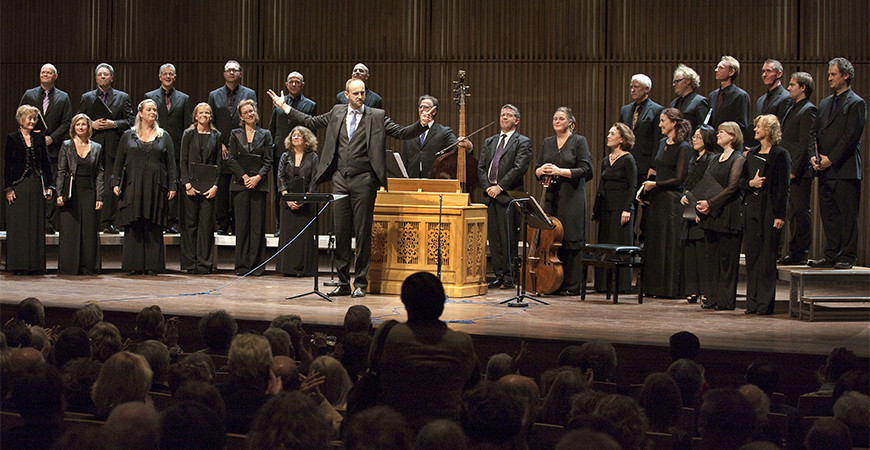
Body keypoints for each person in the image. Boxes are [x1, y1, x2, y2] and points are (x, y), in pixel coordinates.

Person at [268, 78, 428, 298]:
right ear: (346, 95)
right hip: (340, 180)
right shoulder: (336, 113)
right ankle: (343, 282)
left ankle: (360, 282)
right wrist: (284, 106)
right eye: (356, 93)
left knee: (362, 233)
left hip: (364, 180)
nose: (360, 97)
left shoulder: (376, 116)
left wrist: (421, 123)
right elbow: (310, 121)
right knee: (341, 231)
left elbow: (401, 132)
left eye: (362, 93)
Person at [374, 272, 481, 431]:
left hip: (398, 434)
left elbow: (375, 374)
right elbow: (473, 387)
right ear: (442, 303)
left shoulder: (389, 334)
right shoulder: (461, 342)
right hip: (447, 434)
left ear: (404, 301)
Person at [809, 57, 866, 270]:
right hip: (824, 168)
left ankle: (848, 255)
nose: (829, 78)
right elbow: (813, 133)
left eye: (833, 74)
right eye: (829, 74)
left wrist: (830, 159)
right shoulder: (824, 103)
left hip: (845, 169)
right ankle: (831, 254)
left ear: (846, 75)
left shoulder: (856, 103)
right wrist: (814, 157)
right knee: (829, 214)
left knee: (847, 214)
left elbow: (850, 136)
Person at [111, 99, 178, 275]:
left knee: (153, 222)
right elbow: (119, 161)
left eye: (155, 110)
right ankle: (134, 265)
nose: (153, 113)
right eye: (149, 110)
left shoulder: (164, 135)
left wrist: (173, 185)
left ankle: (152, 265)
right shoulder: (128, 135)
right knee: (134, 222)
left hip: (156, 185)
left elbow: (171, 163)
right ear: (140, 113)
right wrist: (115, 182)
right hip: (133, 183)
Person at [535, 107, 594, 295]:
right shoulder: (548, 142)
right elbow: (537, 170)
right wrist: (541, 170)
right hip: (550, 196)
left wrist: (560, 172)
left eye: (561, 118)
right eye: (554, 118)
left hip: (572, 196)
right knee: (550, 239)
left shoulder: (579, 141)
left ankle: (571, 285)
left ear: (571, 123)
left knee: (570, 238)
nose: (557, 121)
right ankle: (552, 282)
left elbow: (587, 170)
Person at [478, 104, 532, 290]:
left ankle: (510, 276)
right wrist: (488, 188)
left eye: (509, 115)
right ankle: (499, 275)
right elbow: (481, 167)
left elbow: (519, 168)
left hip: (508, 197)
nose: (505, 118)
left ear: (516, 120)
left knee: (508, 237)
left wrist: (500, 187)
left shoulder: (523, 142)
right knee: (494, 239)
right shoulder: (490, 141)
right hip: (490, 196)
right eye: (502, 115)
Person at [640, 108, 692, 298]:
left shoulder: (684, 147)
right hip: (657, 199)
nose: (660, 124)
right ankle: (653, 287)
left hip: (672, 201)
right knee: (656, 243)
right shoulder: (663, 142)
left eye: (663, 121)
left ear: (674, 123)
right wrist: (646, 188)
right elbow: (657, 169)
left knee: (669, 244)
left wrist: (655, 184)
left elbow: (679, 179)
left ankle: (670, 289)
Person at [741, 115, 790, 315]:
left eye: (759, 127)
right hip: (752, 206)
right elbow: (741, 182)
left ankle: (764, 304)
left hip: (770, 208)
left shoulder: (781, 155)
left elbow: (783, 187)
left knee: (767, 257)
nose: (755, 130)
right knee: (752, 256)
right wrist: (751, 184)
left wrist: (780, 214)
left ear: (769, 130)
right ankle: (751, 303)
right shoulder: (751, 153)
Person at [77, 63, 134, 234]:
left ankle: (108, 222)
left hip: (112, 148)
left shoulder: (122, 97)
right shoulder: (87, 98)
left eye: (106, 74)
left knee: (110, 186)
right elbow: (78, 120)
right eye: (100, 74)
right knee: (90, 183)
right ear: (95, 78)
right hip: (90, 147)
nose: (103, 77)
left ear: (112, 78)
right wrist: (91, 124)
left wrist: (114, 123)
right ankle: (90, 221)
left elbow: (131, 122)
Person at [695, 122, 745, 310]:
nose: (718, 135)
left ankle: (725, 300)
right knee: (712, 259)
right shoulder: (715, 158)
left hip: (728, 214)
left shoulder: (738, 159)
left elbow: (733, 187)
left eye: (722, 132)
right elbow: (707, 182)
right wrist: (700, 206)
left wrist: (711, 204)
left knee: (727, 260)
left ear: (732, 136)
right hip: (711, 215)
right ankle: (712, 297)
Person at [19, 63, 72, 234]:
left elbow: (66, 122)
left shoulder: (63, 97)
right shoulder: (30, 94)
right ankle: (31, 222)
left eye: (49, 72)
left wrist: (52, 138)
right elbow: (20, 116)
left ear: (55, 76)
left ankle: (47, 223)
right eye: (43, 72)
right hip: (31, 148)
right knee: (32, 185)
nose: (45, 75)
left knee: (51, 185)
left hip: (52, 149)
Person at [207, 60, 257, 236]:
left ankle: (237, 223)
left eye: (235, 70)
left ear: (240, 73)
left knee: (239, 186)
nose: (231, 73)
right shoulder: (214, 95)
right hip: (220, 146)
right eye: (228, 70)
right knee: (220, 185)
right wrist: (219, 141)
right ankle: (221, 223)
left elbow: (252, 119)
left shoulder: (249, 93)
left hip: (241, 146)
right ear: (224, 74)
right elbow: (210, 121)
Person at [4, 105, 54, 275]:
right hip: (19, 185)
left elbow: (46, 164)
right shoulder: (12, 138)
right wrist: (8, 188)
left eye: (34, 118)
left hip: (35, 184)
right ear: (20, 120)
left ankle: (35, 265)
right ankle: (18, 265)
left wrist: (49, 186)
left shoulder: (39, 139)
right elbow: (7, 166)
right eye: (29, 118)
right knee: (19, 226)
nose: (32, 121)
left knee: (35, 224)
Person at [226, 99, 273, 276]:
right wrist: (245, 177)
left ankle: (257, 266)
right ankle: (242, 266)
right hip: (240, 184)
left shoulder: (265, 134)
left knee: (257, 227)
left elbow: (268, 160)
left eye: (251, 111)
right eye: (245, 113)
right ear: (241, 116)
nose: (249, 114)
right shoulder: (235, 134)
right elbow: (230, 158)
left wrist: (257, 177)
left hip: (259, 185)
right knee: (242, 226)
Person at [144, 63, 192, 234]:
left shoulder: (184, 99)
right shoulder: (149, 97)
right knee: (156, 185)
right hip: (154, 147)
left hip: (177, 150)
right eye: (165, 74)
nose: (168, 77)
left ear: (175, 77)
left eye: (171, 74)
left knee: (174, 185)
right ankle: (156, 219)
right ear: (159, 77)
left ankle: (171, 221)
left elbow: (188, 128)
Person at [268, 71, 316, 237]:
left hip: (302, 153)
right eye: (291, 82)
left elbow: (312, 130)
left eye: (297, 82)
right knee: (280, 189)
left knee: (303, 187)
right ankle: (280, 226)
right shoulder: (277, 103)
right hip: (280, 152)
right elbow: (272, 128)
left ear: (302, 85)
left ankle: (301, 224)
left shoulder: (310, 105)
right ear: (286, 85)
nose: (294, 84)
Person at [55, 113, 104, 275]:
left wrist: (99, 197)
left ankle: (87, 266)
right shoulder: (67, 145)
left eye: (84, 124)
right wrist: (59, 193)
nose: (81, 127)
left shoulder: (96, 147)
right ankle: (69, 266)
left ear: (89, 127)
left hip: (89, 192)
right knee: (71, 230)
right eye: (78, 124)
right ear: (73, 127)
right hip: (71, 192)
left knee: (89, 231)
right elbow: (61, 170)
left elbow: (99, 173)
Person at [778, 72, 818, 265]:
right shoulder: (792, 108)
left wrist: (794, 168)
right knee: (791, 211)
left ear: (803, 88)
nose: (788, 88)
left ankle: (800, 252)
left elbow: (805, 143)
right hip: (789, 169)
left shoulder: (808, 110)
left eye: (792, 85)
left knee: (800, 211)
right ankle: (794, 250)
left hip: (799, 171)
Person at [593, 123, 637, 293]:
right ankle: (603, 284)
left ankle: (620, 285)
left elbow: (633, 185)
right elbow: (601, 186)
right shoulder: (606, 160)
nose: (608, 136)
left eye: (612, 134)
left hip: (621, 209)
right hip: (606, 208)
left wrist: (627, 208)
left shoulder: (628, 159)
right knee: (605, 246)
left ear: (622, 139)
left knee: (619, 245)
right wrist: (597, 210)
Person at [179, 102, 221, 274]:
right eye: (201, 112)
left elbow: (218, 163)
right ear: (195, 116)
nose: (204, 115)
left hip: (209, 187)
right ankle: (190, 263)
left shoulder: (216, 135)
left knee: (206, 225)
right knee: (190, 225)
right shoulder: (188, 134)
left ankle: (204, 264)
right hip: (191, 186)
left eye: (207, 113)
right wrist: (187, 184)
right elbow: (183, 160)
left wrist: (216, 185)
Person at [276, 126, 319, 276]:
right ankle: (287, 269)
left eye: (299, 136)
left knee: (304, 237)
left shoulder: (312, 156)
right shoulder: (285, 156)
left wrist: (305, 198)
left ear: (306, 140)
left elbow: (314, 179)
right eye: (293, 135)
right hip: (287, 201)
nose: (295, 137)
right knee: (289, 235)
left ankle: (303, 269)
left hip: (306, 202)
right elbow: (280, 177)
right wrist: (287, 198)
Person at [680, 125, 717, 304]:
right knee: (689, 251)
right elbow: (689, 182)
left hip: (701, 209)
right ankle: (692, 289)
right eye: (694, 137)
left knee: (702, 253)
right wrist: (684, 197)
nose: (694, 139)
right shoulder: (693, 159)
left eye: (698, 137)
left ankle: (705, 290)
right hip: (690, 208)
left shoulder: (711, 159)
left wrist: (697, 207)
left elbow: (709, 185)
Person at [619, 74, 663, 187]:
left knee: (644, 201)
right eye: (631, 87)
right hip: (625, 162)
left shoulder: (657, 110)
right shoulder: (625, 110)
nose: (632, 90)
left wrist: (653, 166)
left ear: (646, 89)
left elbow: (658, 140)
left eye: (636, 87)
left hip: (645, 164)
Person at [400, 94, 459, 178]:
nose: (422, 109)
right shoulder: (410, 131)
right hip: (412, 179)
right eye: (420, 107)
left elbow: (457, 150)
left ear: (434, 111)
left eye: (426, 107)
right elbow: (404, 159)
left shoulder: (444, 132)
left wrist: (467, 147)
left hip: (434, 179)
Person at [708, 56, 751, 144]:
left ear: (731, 72)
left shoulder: (741, 95)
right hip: (714, 144)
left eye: (721, 68)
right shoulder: (713, 95)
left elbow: (742, 125)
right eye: (717, 67)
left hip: (731, 144)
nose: (716, 70)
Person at [670, 64, 710, 130]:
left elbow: (703, 128)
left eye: (677, 81)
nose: (674, 85)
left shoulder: (700, 101)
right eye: (673, 82)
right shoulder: (674, 103)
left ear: (688, 81)